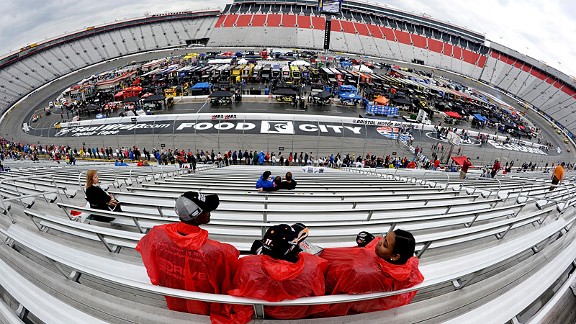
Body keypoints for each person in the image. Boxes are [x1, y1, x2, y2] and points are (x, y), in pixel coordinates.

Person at [136, 191, 239, 320]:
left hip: (173, 299)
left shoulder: (156, 234)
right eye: (206, 210)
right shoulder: (214, 250)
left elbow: (146, 253)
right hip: (203, 306)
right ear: (196, 217)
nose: (210, 212)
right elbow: (231, 265)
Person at [222, 224, 328, 323]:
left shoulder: (246, 265)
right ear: (293, 248)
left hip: (262, 313)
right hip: (301, 315)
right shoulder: (313, 267)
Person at [318, 229, 424, 317]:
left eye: (385, 244)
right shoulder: (406, 263)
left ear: (395, 256)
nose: (380, 241)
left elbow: (339, 302)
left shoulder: (362, 273)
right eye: (384, 237)